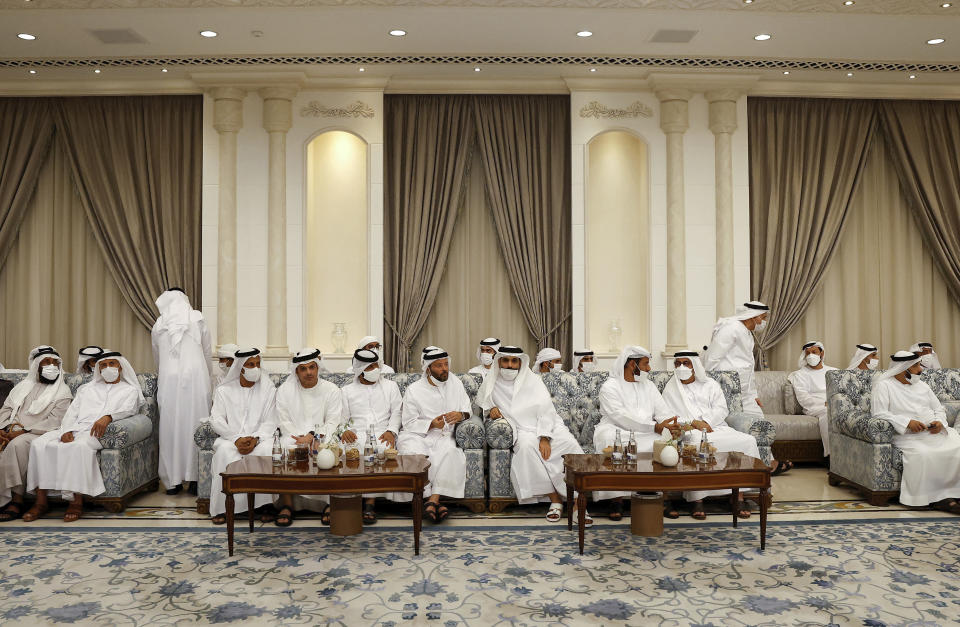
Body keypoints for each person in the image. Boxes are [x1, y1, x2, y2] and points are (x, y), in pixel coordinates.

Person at [24, 350, 144, 522]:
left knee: (77, 447)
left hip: (98, 433)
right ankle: (41, 501)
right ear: (98, 369)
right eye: (103, 365)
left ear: (120, 366)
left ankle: (75, 501)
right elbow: (72, 412)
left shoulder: (129, 390)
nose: (107, 368)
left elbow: (130, 410)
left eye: (112, 364)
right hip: (75, 427)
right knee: (39, 444)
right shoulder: (86, 389)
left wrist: (108, 417)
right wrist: (67, 430)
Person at [477, 346, 591, 525]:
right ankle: (555, 500)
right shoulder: (491, 381)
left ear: (520, 362)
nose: (509, 365)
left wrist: (544, 437)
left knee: (570, 445)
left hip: (547, 426)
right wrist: (490, 409)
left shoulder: (533, 380)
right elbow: (484, 402)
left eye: (514, 361)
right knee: (526, 448)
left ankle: (578, 504)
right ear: (499, 361)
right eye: (505, 360)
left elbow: (546, 410)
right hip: (521, 429)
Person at [662, 350, 761, 519]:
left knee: (747, 441)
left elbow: (721, 408)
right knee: (695, 442)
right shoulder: (671, 388)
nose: (681, 367)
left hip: (716, 426)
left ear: (695, 365)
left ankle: (738, 495)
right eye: (677, 364)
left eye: (686, 363)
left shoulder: (710, 384)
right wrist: (694, 423)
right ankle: (697, 499)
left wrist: (707, 422)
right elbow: (668, 415)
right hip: (690, 430)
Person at [871, 351, 960, 513]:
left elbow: (938, 408)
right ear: (902, 368)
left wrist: (939, 422)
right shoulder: (884, 386)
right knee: (923, 454)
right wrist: (907, 422)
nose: (920, 369)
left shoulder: (923, 386)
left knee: (957, 446)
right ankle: (937, 499)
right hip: (907, 437)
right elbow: (879, 413)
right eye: (916, 366)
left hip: (933, 433)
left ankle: (955, 493)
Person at [595, 346, 676, 520]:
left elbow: (663, 412)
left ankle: (663, 497)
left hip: (648, 430)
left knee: (665, 440)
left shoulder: (649, 385)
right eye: (646, 364)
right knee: (610, 440)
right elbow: (619, 416)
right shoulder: (610, 386)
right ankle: (615, 499)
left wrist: (671, 425)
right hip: (617, 428)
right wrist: (654, 426)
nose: (649, 369)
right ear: (633, 364)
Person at [151, 288, 214, 495]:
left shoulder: (159, 324)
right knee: (195, 426)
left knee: (171, 429)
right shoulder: (197, 318)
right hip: (196, 379)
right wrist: (208, 379)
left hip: (169, 381)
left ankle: (173, 482)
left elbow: (157, 357)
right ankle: (196, 479)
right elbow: (206, 351)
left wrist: (166, 374)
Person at [0, 346, 73, 521]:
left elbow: (55, 421)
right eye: (47, 362)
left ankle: (16, 500)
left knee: (18, 445)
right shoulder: (21, 388)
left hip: (39, 433)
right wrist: (2, 429)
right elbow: (6, 410)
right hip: (11, 430)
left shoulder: (62, 391)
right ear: (37, 366)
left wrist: (23, 431)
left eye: (55, 362)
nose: (52, 366)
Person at [397, 346, 469, 523]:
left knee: (451, 452)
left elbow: (467, 409)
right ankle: (431, 502)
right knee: (412, 452)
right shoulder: (414, 390)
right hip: (418, 435)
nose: (444, 369)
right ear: (428, 368)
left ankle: (432, 501)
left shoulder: (455, 382)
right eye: (439, 366)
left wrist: (461, 415)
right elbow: (408, 422)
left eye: (446, 364)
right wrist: (429, 424)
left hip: (445, 435)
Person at [273, 348, 342, 527]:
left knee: (328, 449)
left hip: (322, 435)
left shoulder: (331, 390)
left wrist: (313, 435)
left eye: (312, 367)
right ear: (296, 371)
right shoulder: (284, 390)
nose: (308, 372)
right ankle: (287, 505)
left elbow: (334, 421)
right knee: (283, 448)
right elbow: (283, 421)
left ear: (318, 368)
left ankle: (328, 504)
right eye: (303, 369)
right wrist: (300, 437)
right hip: (293, 436)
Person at [207, 348, 277, 525]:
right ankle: (223, 508)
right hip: (231, 439)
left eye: (258, 364)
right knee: (224, 452)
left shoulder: (268, 388)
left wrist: (256, 439)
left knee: (267, 450)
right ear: (240, 367)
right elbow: (216, 419)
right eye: (250, 365)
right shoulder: (224, 390)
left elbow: (271, 420)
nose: (256, 368)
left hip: (260, 439)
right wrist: (235, 438)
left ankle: (264, 506)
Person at [340, 349, 401, 524]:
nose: (376, 369)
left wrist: (391, 431)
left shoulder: (391, 387)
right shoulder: (346, 391)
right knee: (348, 451)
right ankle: (352, 499)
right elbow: (341, 418)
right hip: (356, 434)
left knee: (381, 450)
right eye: (371, 366)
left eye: (376, 365)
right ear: (360, 369)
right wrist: (345, 430)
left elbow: (397, 412)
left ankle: (370, 501)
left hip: (383, 432)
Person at [703, 301, 769, 417]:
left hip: (745, 392)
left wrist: (754, 396)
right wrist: (707, 387)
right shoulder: (731, 328)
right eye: (763, 318)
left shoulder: (747, 332)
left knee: (758, 422)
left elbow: (749, 366)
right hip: (727, 389)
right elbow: (712, 358)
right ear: (753, 316)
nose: (764, 322)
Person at [788, 341, 838, 457]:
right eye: (808, 353)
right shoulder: (800, 374)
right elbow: (803, 398)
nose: (811, 355)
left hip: (835, 403)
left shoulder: (833, 371)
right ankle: (832, 456)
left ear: (821, 353)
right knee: (828, 413)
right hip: (814, 407)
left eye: (814, 352)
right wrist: (824, 403)